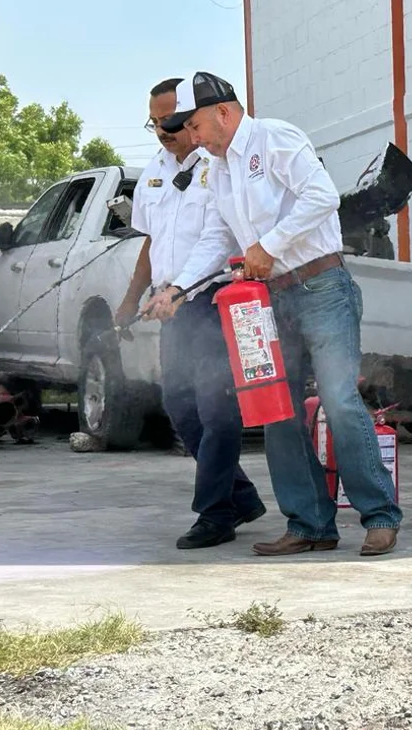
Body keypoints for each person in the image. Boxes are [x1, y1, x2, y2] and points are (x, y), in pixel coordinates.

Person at [157, 71, 402, 557]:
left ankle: (379, 516)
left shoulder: (275, 137)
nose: (192, 137)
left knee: (338, 399)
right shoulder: (219, 169)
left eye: (196, 125)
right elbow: (219, 238)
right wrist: (179, 287)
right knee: (276, 410)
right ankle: (310, 524)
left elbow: (322, 197)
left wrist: (268, 245)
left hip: (322, 286)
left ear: (223, 112)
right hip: (269, 299)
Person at [115, 77, 265, 550]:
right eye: (155, 122)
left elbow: (219, 238)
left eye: (172, 121)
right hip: (169, 305)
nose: (163, 130)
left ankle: (215, 513)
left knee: (218, 409)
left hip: (214, 300)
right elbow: (151, 245)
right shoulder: (154, 172)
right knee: (181, 408)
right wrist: (132, 298)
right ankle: (239, 495)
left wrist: (182, 289)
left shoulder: (218, 165)